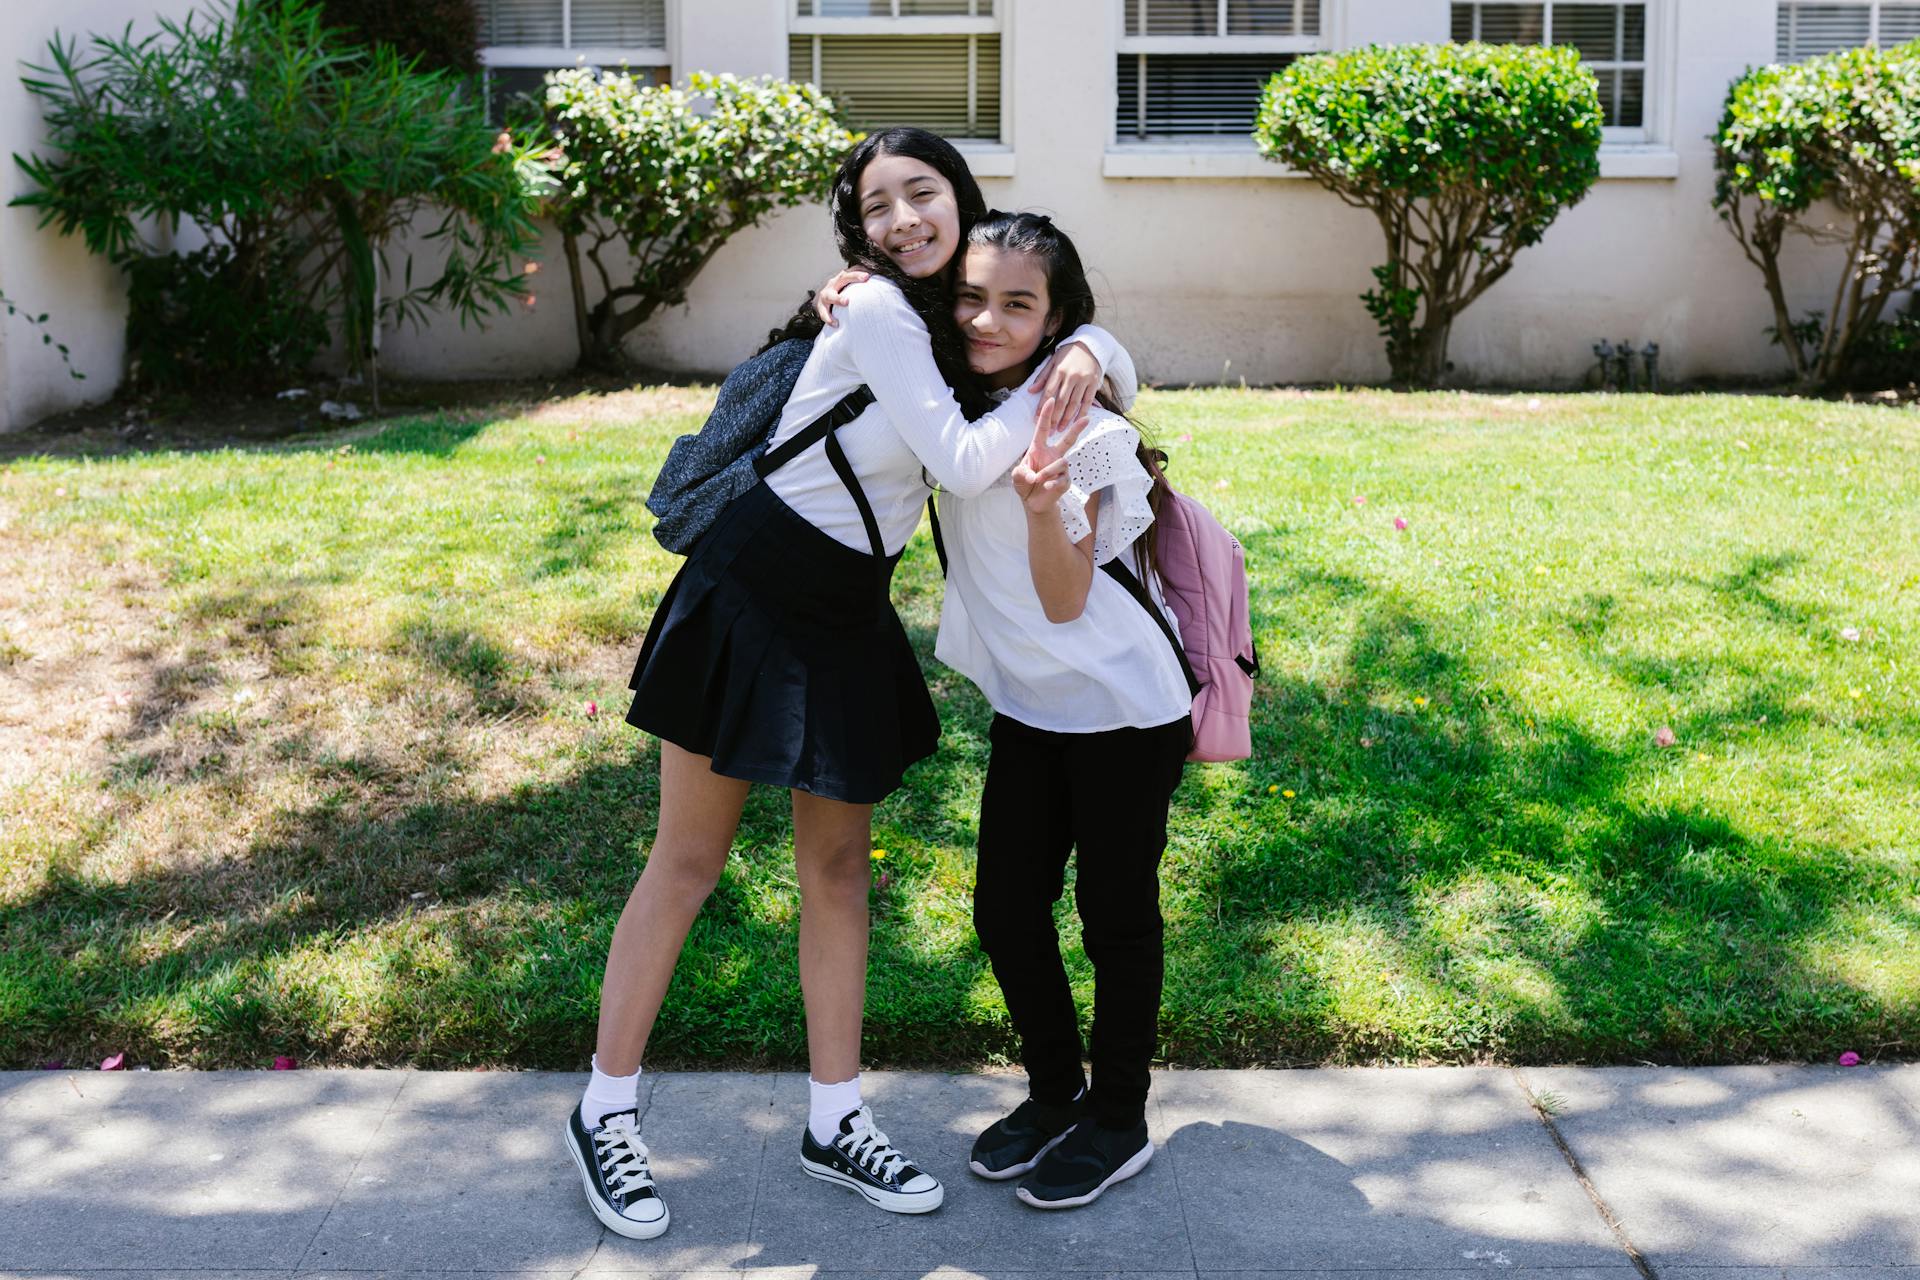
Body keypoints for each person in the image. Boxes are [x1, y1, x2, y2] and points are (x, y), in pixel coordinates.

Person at [564, 130, 1136, 1237]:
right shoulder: (875, 311)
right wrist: (1082, 363)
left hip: (846, 609)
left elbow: (1042, 317)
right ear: (857, 230)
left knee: (836, 871)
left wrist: (1094, 342)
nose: (902, 219)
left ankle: (835, 1117)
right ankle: (605, 1109)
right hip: (754, 585)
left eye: (922, 193)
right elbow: (972, 463)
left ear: (963, 201)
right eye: (877, 207)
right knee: (687, 860)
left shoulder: (953, 322)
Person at [931, 212, 1193, 1210]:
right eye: (971, 297)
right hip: (1034, 709)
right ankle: (1054, 1090)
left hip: (1123, 710)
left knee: (1114, 916)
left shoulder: (1089, 433)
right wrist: (1094, 343)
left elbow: (1067, 598)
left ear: (1056, 317)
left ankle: (1118, 1117)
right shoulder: (955, 407)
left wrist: (1045, 507)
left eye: (1018, 303)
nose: (987, 318)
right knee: (1005, 907)